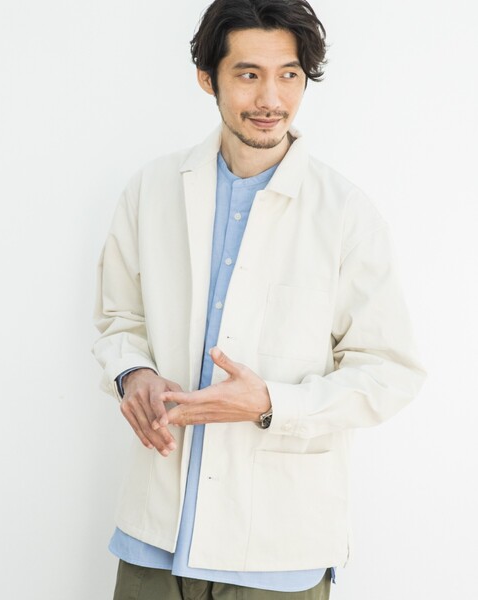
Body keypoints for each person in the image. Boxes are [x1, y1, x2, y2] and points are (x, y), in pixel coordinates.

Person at [93, 0, 426, 598]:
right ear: (208, 78)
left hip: (276, 551)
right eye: (248, 74)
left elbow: (388, 372)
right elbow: (120, 317)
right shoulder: (151, 190)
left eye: (289, 74)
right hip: (153, 541)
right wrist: (132, 373)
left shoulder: (346, 213)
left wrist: (271, 403)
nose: (271, 98)